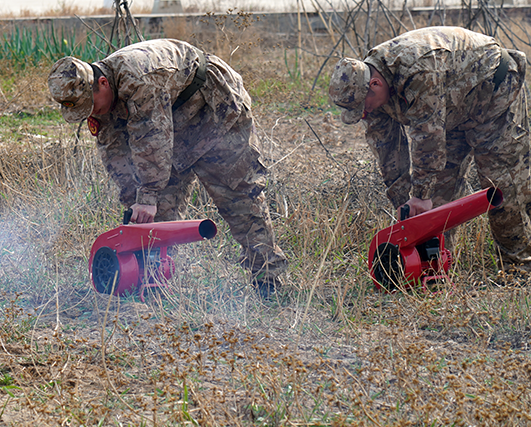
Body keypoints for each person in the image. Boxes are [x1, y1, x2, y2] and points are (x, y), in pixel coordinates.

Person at [47, 38, 289, 296]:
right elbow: (113, 152)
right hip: (173, 122)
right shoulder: (97, 100)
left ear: (102, 83)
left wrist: (148, 193)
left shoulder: (139, 77)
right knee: (153, 215)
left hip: (215, 112)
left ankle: (268, 281)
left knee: (239, 199)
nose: (91, 112)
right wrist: (134, 202)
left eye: (91, 105)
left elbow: (152, 137)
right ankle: (152, 283)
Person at [329, 26, 531, 270]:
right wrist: (405, 202)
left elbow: (428, 136)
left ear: (374, 83)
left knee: (500, 182)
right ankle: (436, 263)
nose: (363, 113)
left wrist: (420, 194)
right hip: (452, 106)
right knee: (436, 193)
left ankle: (518, 266)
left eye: (363, 106)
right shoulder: (367, 95)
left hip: (493, 89)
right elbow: (387, 149)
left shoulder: (417, 70)